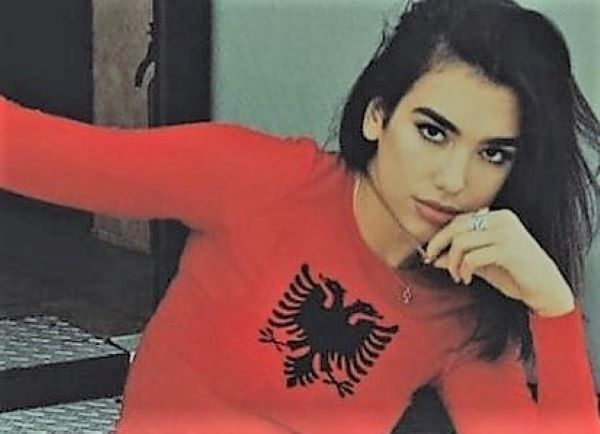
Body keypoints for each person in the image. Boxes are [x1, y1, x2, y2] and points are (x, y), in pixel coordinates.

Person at [1, 0, 599, 432]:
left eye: (493, 153)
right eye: (433, 132)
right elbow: (30, 152)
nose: (455, 180)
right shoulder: (254, 180)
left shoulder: (460, 309)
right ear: (377, 116)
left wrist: (554, 309)